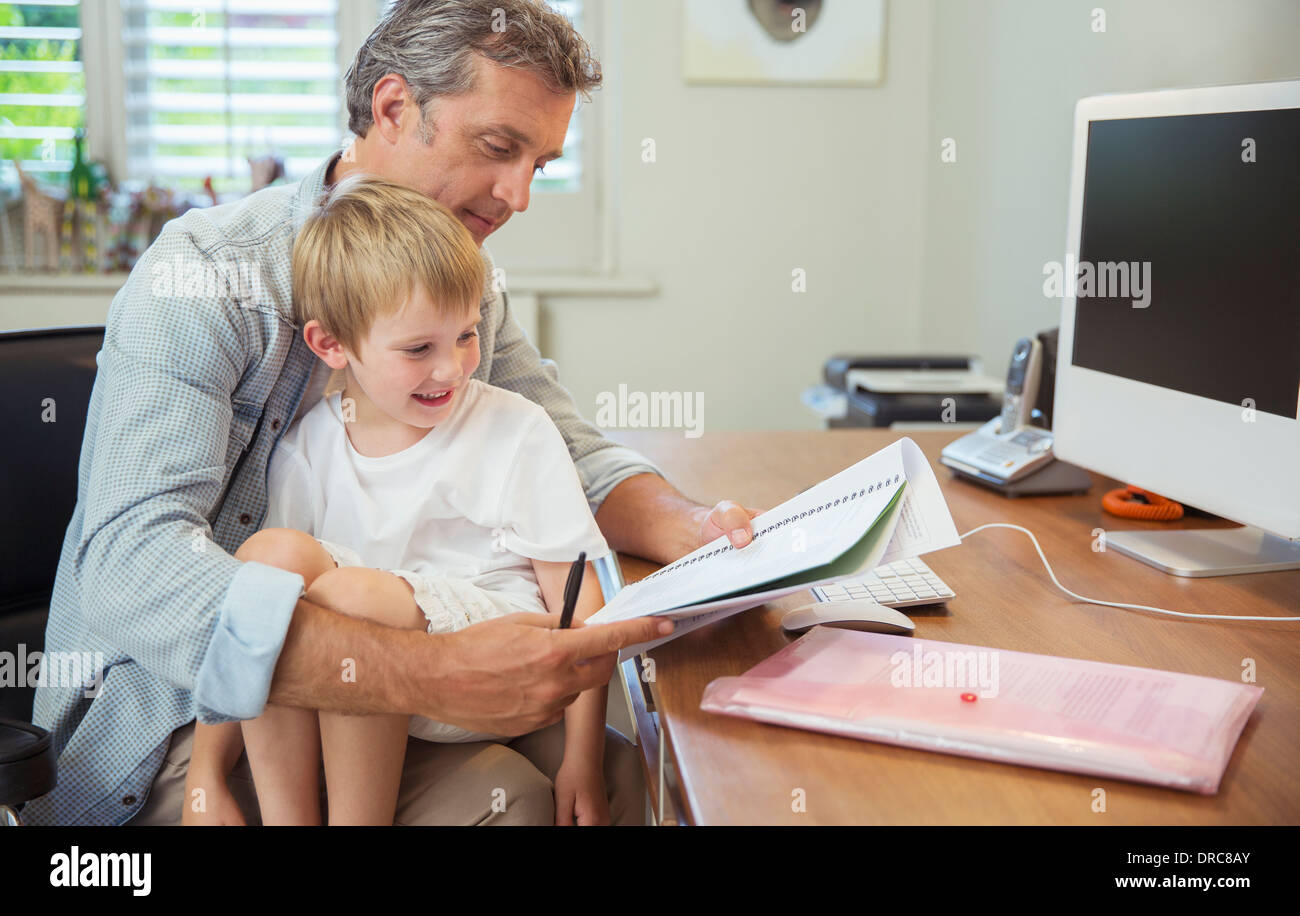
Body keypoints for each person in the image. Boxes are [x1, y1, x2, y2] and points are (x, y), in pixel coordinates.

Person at [27, 0, 758, 827]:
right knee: (511, 804)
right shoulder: (204, 279)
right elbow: (133, 569)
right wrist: (423, 671)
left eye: (541, 164)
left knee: (640, 779)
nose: (518, 194)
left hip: (387, 669)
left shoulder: (460, 284)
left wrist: (697, 530)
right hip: (174, 717)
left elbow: (567, 450)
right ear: (393, 109)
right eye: (498, 147)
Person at [185, 176, 617, 825]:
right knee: (269, 558)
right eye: (419, 348)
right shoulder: (307, 448)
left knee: (357, 597)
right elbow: (246, 617)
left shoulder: (516, 429)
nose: (452, 368)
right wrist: (206, 771)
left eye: (466, 335)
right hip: (369, 682)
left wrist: (580, 759)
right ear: (331, 344)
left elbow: (579, 604)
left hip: (486, 672)